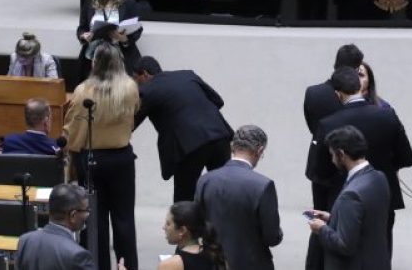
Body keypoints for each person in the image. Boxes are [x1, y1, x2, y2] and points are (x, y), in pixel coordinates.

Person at [309, 67, 412, 256]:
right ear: (361, 86)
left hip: (342, 196)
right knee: (381, 248)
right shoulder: (388, 116)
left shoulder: (328, 124)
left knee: (345, 251)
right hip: (383, 196)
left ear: (337, 94)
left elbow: (320, 172)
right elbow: (407, 157)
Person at [63, 43, 140, 270]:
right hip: (122, 159)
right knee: (124, 219)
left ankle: (96, 265)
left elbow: (74, 127)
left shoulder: (84, 90)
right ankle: (127, 266)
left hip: (92, 159)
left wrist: (72, 151)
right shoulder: (130, 88)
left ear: (94, 63)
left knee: (93, 220)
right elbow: (132, 118)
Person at [132, 56, 234, 202]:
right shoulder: (188, 75)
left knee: (184, 198)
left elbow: (130, 123)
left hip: (189, 146)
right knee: (222, 192)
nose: (136, 84)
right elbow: (218, 100)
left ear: (145, 74)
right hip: (219, 136)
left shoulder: (148, 90)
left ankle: (185, 225)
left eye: (136, 79)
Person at [195, 125, 282, 270]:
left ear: (231, 147)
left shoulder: (205, 180)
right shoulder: (263, 185)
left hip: (212, 262)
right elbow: (271, 237)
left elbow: (196, 223)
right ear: (259, 151)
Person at [307, 125, 391, 270]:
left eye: (332, 155)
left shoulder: (350, 195)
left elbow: (344, 245)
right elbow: (366, 219)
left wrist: (321, 229)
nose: (332, 160)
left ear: (341, 154)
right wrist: (333, 217)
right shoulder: (379, 177)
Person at [303, 44, 364, 211]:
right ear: (357, 68)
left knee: (320, 214)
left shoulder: (313, 93)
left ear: (335, 64)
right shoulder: (358, 96)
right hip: (349, 165)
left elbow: (313, 126)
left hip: (319, 164)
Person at [76, 0, 143, 79]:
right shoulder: (90, 0)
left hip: (120, 54)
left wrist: (124, 39)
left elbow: (137, 29)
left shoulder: (129, 3)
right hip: (93, 54)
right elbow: (82, 27)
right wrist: (84, 36)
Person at [15, 183, 95, 270]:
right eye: (86, 210)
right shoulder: (78, 256)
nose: (88, 214)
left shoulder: (25, 241)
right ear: (73, 215)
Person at [132, 201, 226, 270]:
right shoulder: (215, 253)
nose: (164, 227)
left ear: (182, 230)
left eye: (168, 224)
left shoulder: (171, 265)